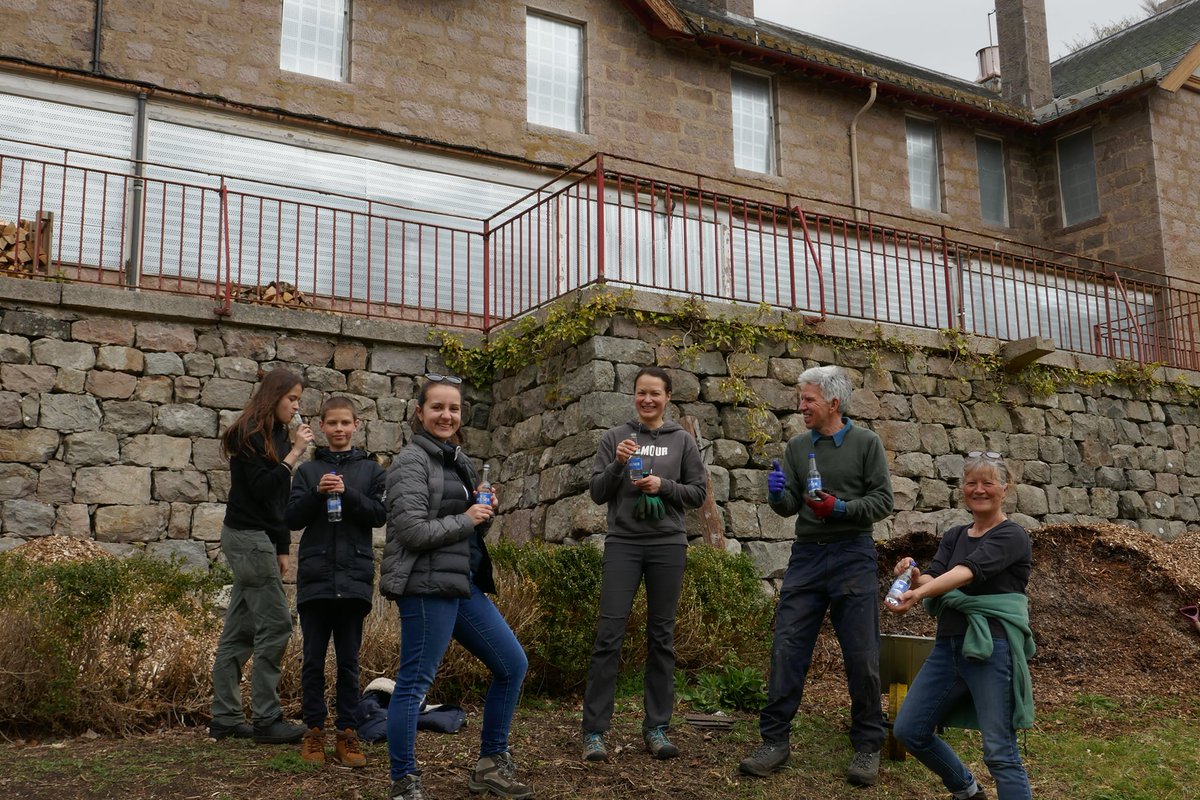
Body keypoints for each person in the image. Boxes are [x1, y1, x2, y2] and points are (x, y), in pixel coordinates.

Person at [739, 364, 893, 786]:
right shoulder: (797, 447)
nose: (801, 405)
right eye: (801, 398)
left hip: (853, 555)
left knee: (862, 655)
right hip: (807, 556)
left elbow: (883, 501)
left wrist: (840, 508)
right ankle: (774, 743)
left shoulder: (866, 443)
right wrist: (776, 494)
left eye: (808, 399)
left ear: (833, 403)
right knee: (787, 648)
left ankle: (866, 747)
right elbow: (790, 506)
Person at [380, 375, 532, 800]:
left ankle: (490, 764)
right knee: (414, 683)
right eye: (438, 408)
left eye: (454, 409)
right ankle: (404, 782)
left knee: (512, 665)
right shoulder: (411, 462)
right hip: (426, 587)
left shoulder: (455, 460)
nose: (447, 416)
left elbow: (462, 521)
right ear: (420, 412)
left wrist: (484, 508)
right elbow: (410, 530)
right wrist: (468, 517)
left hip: (460, 581)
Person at [886, 452, 1035, 800]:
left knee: (1000, 752)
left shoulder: (1012, 536)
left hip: (991, 650)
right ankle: (967, 790)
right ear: (961, 489)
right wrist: (912, 574)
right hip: (949, 646)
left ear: (1005, 488)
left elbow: (966, 573)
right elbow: (938, 574)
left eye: (987, 482)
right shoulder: (954, 535)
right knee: (910, 729)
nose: (978, 489)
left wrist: (918, 593)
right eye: (971, 483)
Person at [581, 366, 708, 762]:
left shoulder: (682, 441)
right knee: (608, 636)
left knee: (661, 638)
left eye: (655, 393)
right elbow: (598, 493)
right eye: (641, 393)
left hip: (668, 545)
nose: (647, 399)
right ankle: (594, 733)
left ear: (668, 396)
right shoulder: (615, 438)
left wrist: (662, 486)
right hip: (624, 544)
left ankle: (656, 727)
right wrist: (618, 465)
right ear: (633, 395)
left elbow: (698, 493)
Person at [209, 367, 312, 745]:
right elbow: (266, 486)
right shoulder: (248, 435)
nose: (296, 407)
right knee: (277, 624)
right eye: (292, 399)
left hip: (260, 540)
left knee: (241, 629)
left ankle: (225, 718)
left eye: (298, 399)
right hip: (246, 538)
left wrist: (282, 547)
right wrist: (296, 454)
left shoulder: (277, 435)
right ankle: (267, 718)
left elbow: (277, 502)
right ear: (275, 397)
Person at [286, 396, 387, 767]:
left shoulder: (373, 472)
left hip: (355, 579)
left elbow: (379, 515)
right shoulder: (308, 473)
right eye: (333, 424)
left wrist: (349, 493)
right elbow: (292, 518)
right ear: (323, 427)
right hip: (315, 579)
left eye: (346, 423)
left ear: (356, 425)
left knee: (349, 661)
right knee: (312, 661)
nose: (340, 429)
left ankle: (347, 732)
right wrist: (318, 494)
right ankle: (314, 732)